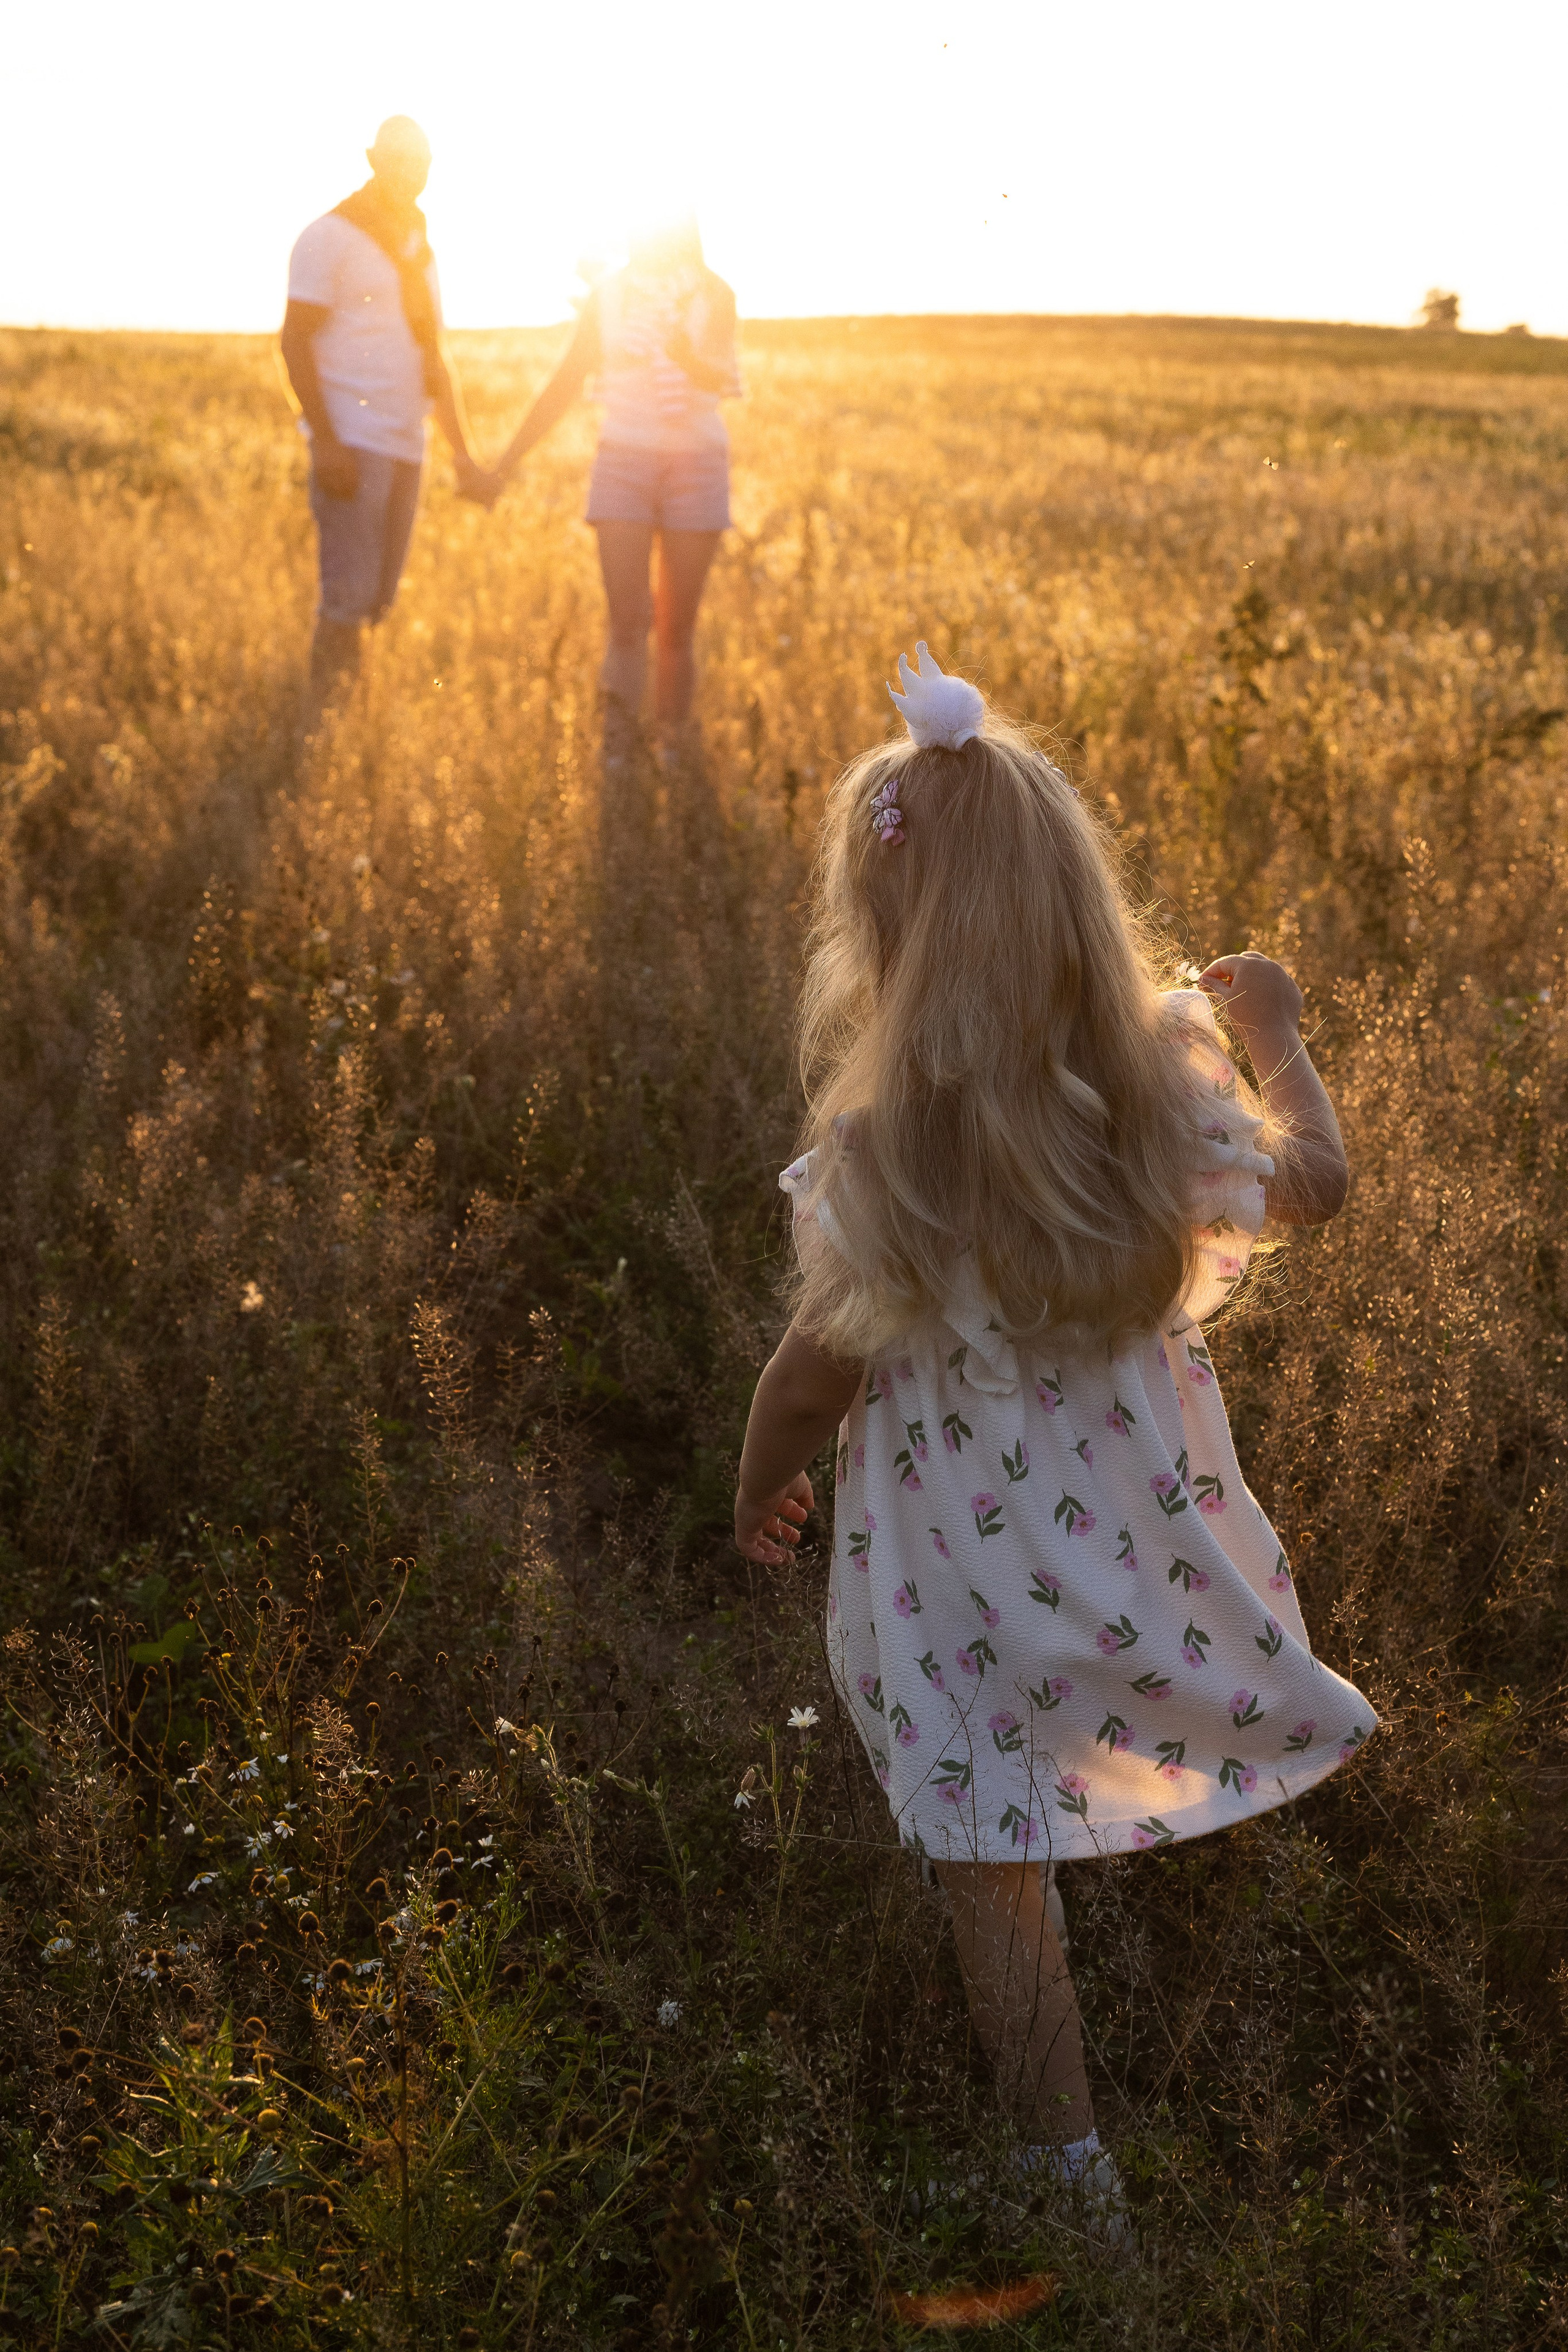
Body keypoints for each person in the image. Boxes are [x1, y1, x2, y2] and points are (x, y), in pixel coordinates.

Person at [733, 642, 1377, 2236]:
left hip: (954, 1580)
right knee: (1116, 1676)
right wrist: (1280, 1031)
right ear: (1077, 909)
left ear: (881, 937)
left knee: (981, 1847)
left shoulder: (884, 1161)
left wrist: (760, 1488)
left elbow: (807, 1382)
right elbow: (1316, 1185)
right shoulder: (1162, 1094)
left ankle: (1062, 2172)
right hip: (1123, 1536)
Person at [484, 215, 740, 760]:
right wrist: (506, 464)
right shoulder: (610, 296)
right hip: (622, 461)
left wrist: (686, 357)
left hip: (696, 463)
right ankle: (618, 755)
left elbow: (724, 378)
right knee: (627, 620)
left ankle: (672, 752)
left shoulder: (715, 293)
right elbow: (565, 382)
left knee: (676, 628)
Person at [281, 116, 488, 723]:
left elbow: (434, 359)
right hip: (352, 439)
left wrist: (461, 453)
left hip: (406, 445)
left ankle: (348, 723)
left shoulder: (417, 245)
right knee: (346, 601)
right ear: (374, 160)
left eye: (421, 162)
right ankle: (322, 729)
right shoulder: (330, 237)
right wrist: (326, 441)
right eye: (399, 160)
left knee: (378, 602)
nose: (411, 173)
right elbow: (293, 342)